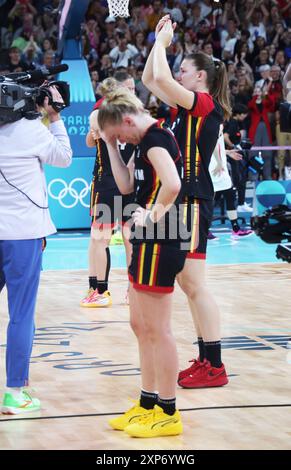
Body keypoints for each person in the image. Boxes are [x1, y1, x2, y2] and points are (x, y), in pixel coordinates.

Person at [142, 15, 230, 388]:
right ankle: (207, 358)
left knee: (195, 284)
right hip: (185, 202)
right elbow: (151, 79)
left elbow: (161, 79)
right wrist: (156, 44)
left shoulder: (205, 104)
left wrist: (163, 43)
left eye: (184, 71)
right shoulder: (185, 108)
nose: (178, 75)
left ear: (200, 77)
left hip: (194, 200)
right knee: (188, 282)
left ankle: (216, 364)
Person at [97, 87, 187, 438]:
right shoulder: (140, 140)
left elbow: (174, 184)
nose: (122, 138)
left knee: (159, 329)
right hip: (149, 239)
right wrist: (109, 144)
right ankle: (147, 403)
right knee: (140, 325)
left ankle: (168, 410)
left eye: (120, 133)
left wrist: (150, 216)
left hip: (163, 237)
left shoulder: (155, 139)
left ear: (129, 120)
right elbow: (122, 186)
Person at [0, 86, 72, 414]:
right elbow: (64, 157)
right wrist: (53, 116)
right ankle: (15, 392)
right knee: (21, 316)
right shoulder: (31, 130)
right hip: (23, 236)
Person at [80, 72, 136, 308]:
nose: (133, 92)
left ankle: (107, 290)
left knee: (125, 238)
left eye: (134, 88)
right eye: (128, 88)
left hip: (120, 185)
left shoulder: (111, 114)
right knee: (100, 239)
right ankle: (98, 287)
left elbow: (93, 138)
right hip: (110, 183)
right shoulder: (105, 112)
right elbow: (90, 140)